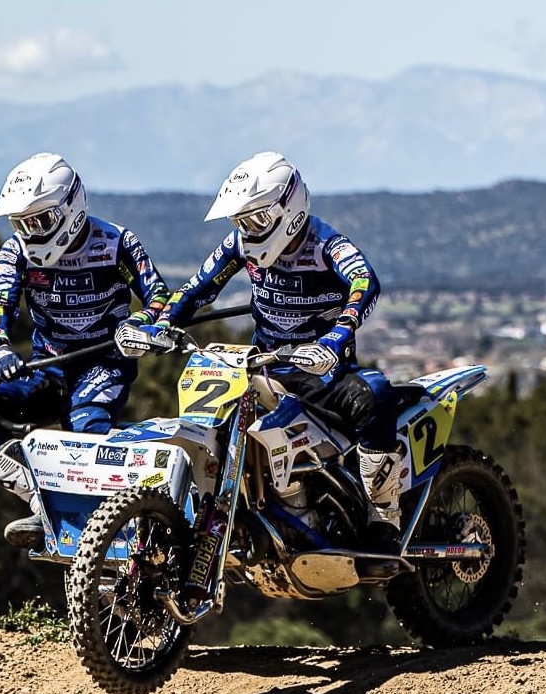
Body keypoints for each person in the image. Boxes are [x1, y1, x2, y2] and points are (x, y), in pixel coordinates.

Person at [146, 151, 404, 553]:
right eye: (242, 221)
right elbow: (197, 288)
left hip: (322, 370)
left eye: (257, 220)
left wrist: (335, 338)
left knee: (374, 395)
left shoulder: (326, 244)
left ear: (290, 210)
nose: (248, 230)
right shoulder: (238, 243)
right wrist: (162, 324)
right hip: (263, 366)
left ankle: (383, 514)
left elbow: (364, 281)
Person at [0, 152, 172, 548]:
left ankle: (128, 514)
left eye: (39, 221)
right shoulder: (15, 251)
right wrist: (0, 349)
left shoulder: (116, 242)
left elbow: (157, 294)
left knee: (85, 425)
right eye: (21, 223)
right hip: (48, 366)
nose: (30, 233)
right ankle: (43, 500)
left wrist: (140, 324)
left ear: (70, 209)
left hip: (106, 362)